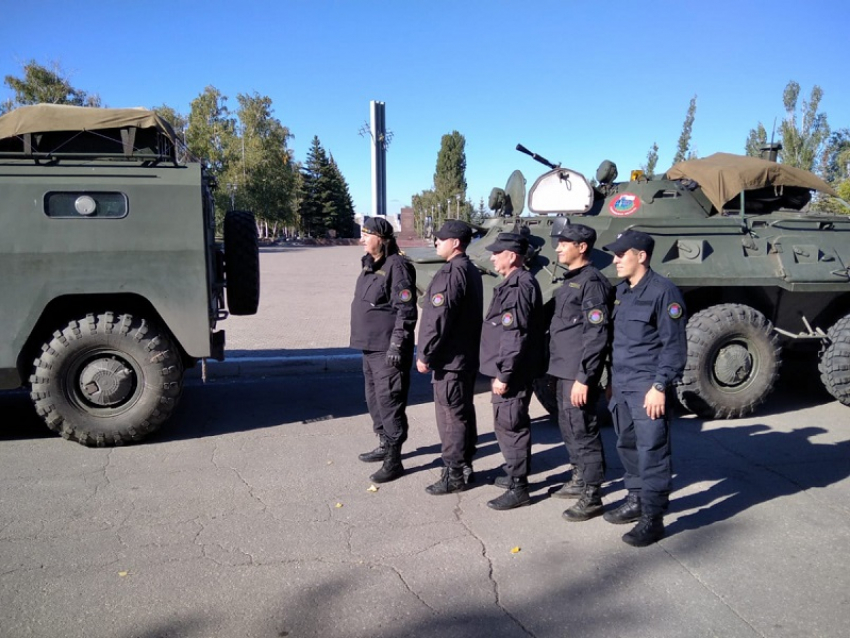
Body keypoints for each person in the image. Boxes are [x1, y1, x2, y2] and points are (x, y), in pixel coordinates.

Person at [602, 230, 687, 547]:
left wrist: (660, 385)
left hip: (647, 387)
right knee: (626, 445)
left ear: (641, 256)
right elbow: (618, 342)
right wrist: (610, 382)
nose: (615, 260)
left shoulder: (664, 292)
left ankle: (653, 517)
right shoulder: (623, 291)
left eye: (621, 254)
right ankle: (635, 498)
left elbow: (674, 346)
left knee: (652, 451)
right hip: (622, 385)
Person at [547, 223, 613, 522]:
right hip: (563, 368)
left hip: (578, 373)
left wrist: (585, 378)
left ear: (582, 247)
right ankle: (578, 476)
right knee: (569, 426)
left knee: (583, 431)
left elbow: (596, 334)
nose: (559, 248)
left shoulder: (593, 283)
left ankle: (593, 493)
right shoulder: (571, 280)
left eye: (564, 243)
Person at [417, 220, 484, 495]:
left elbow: (438, 318)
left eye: (440, 239)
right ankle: (465, 464)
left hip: (450, 360)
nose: (436, 243)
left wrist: (425, 353)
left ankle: (453, 473)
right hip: (465, 356)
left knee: (450, 417)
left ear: (455, 242)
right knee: (463, 412)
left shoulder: (451, 272)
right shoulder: (471, 269)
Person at [479, 233, 545, 510]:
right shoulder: (514, 282)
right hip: (512, 368)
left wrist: (504, 374)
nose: (493, 257)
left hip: (513, 371)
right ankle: (514, 472)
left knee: (510, 424)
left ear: (513, 256)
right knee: (510, 422)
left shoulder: (519, 286)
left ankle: (519, 487)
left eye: (498, 252)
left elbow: (514, 334)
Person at [349, 216, 417, 484]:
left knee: (390, 403)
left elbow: (406, 311)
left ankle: (394, 459)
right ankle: (383, 443)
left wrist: (397, 346)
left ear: (382, 238)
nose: (362, 239)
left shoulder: (397, 266)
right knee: (374, 400)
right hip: (369, 347)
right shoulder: (370, 264)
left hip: (387, 350)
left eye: (366, 235)